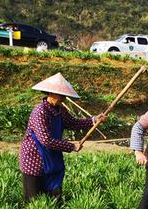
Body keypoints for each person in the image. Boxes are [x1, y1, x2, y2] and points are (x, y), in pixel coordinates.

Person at [19, 73, 106, 201]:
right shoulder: (40, 112)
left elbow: (73, 123)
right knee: (34, 200)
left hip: (53, 158)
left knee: (55, 196)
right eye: (61, 95)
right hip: (34, 160)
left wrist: (94, 120)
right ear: (50, 93)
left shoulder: (60, 110)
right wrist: (71, 146)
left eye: (64, 96)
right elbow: (46, 140)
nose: (63, 99)